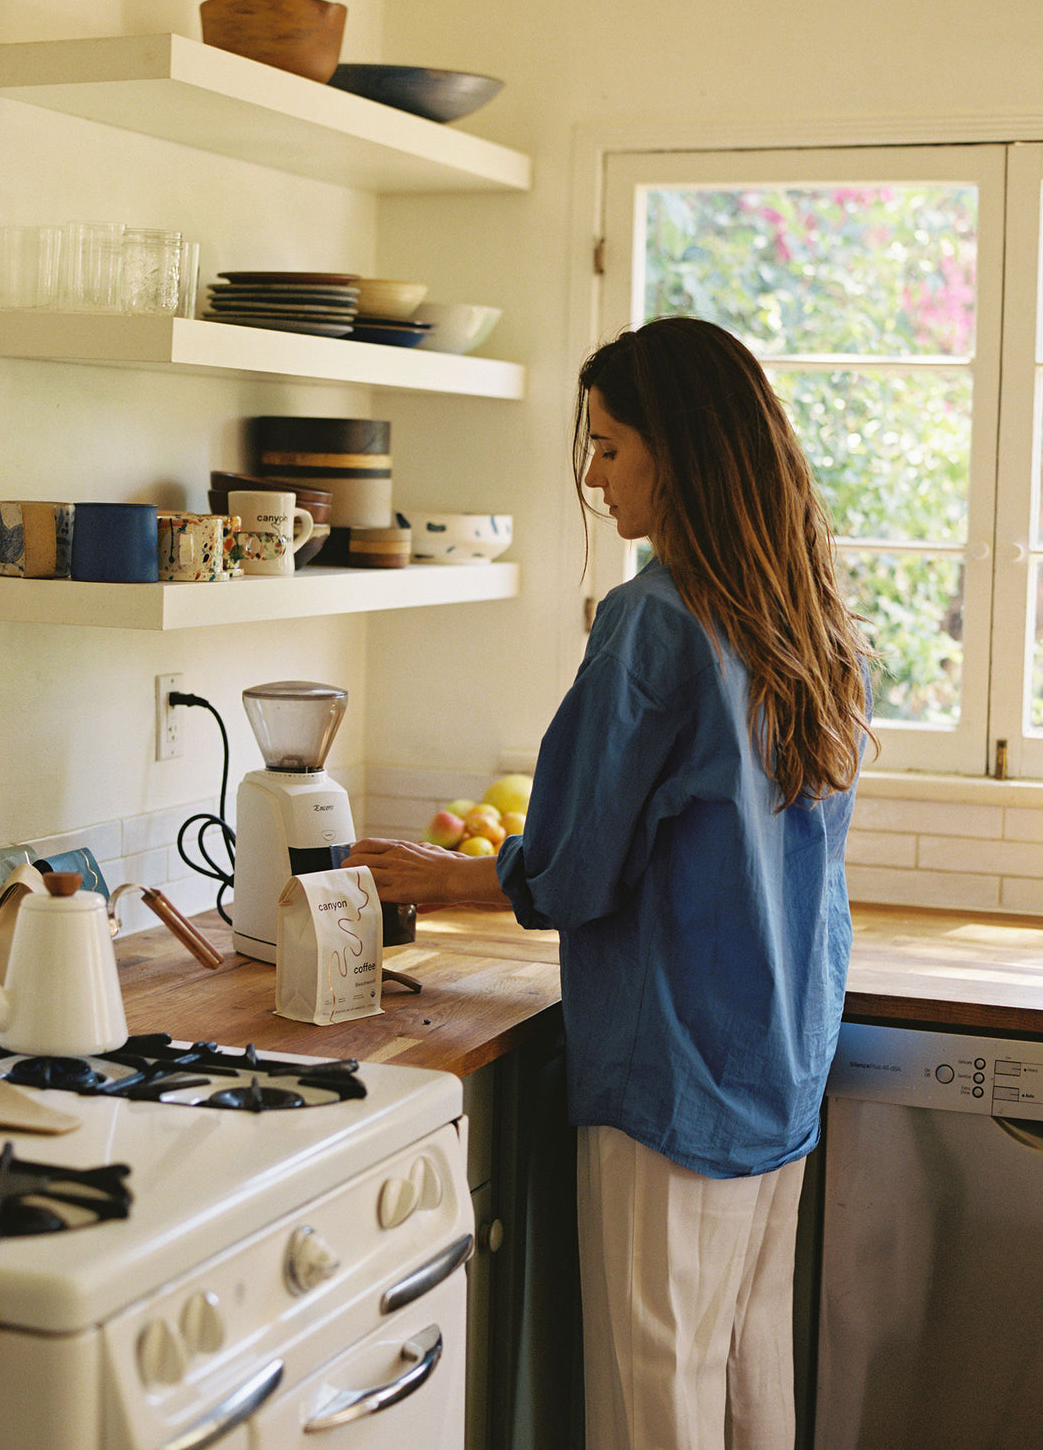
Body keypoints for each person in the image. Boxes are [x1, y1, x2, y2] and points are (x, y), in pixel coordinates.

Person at [344, 315, 874, 1450]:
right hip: (779, 1065)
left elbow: (575, 869)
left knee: (654, 1408)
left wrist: (440, 876)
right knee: (744, 1383)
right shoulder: (807, 614)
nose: (593, 477)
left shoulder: (652, 620)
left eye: (610, 446)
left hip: (673, 1076)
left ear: (676, 451)